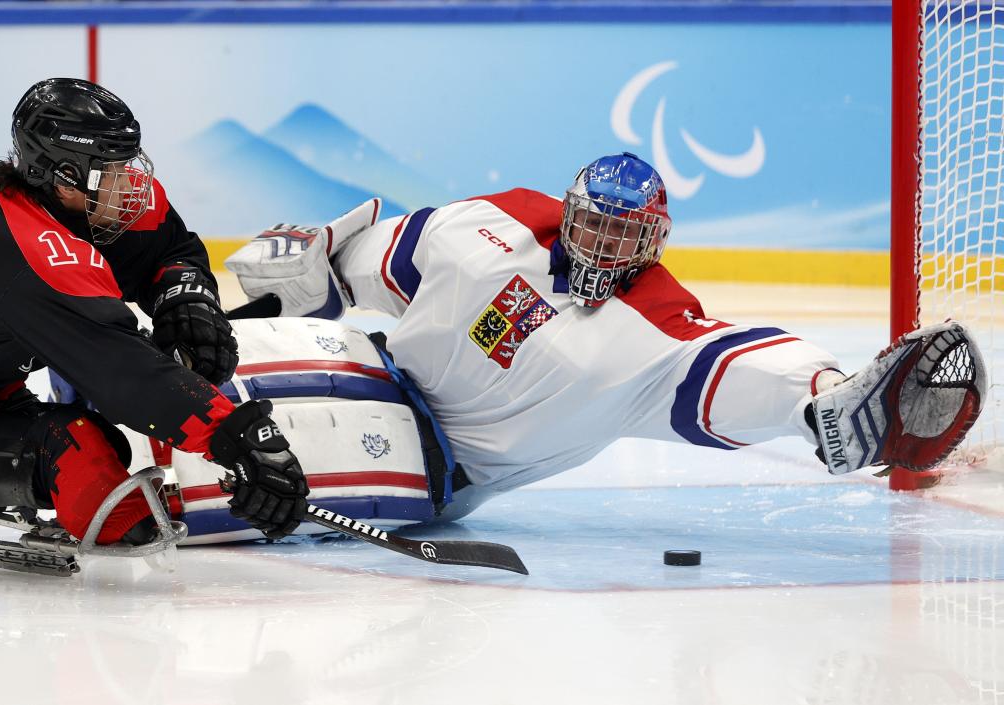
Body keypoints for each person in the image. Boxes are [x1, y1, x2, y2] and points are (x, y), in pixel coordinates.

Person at [181, 151, 984, 537]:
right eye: (593, 221)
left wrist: (824, 398)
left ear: (654, 241)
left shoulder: (659, 332)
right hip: (372, 362)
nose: (602, 244)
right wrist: (314, 257)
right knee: (201, 366)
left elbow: (741, 360)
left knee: (247, 468)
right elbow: (368, 264)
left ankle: (132, 510)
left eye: (624, 232)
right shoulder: (493, 223)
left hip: (434, 462)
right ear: (569, 210)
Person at [0, 78, 310, 554]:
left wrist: (186, 299)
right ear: (62, 176)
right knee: (92, 464)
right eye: (112, 172)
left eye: (129, 165)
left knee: (174, 344)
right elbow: (125, 375)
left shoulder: (67, 204)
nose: (132, 186)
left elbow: (169, 246)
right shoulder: (24, 252)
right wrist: (240, 440)